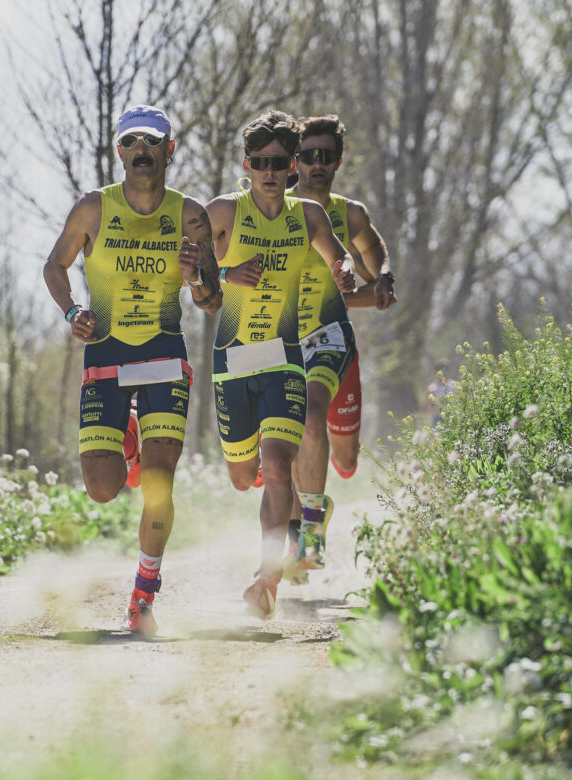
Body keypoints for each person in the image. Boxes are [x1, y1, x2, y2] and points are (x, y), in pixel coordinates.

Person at [43, 104, 221, 635]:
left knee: (160, 483)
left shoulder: (190, 215)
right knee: (101, 487)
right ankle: (128, 439)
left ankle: (144, 593)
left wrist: (196, 281)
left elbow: (212, 301)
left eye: (152, 141)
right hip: (106, 352)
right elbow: (54, 265)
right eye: (130, 142)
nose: (140, 149)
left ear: (170, 150)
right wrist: (73, 311)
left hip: (164, 354)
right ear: (118, 151)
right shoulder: (94, 208)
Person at [204, 109, 355, 619]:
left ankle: (268, 577)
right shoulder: (223, 211)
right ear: (246, 165)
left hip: (285, 360)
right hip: (234, 360)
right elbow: (190, 268)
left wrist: (347, 272)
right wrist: (226, 274)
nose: (269, 172)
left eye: (278, 163)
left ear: (290, 167)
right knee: (244, 477)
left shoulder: (308, 216)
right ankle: (282, 539)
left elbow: (339, 256)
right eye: (259, 162)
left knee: (276, 464)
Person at [282, 114, 397, 584]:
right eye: (308, 156)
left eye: (326, 156)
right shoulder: (274, 208)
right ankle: (302, 542)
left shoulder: (349, 214)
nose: (317, 164)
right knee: (294, 431)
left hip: (332, 341)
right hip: (285, 341)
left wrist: (382, 277)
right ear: (295, 161)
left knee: (346, 463)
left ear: (338, 162)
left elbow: (377, 265)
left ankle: (317, 507)